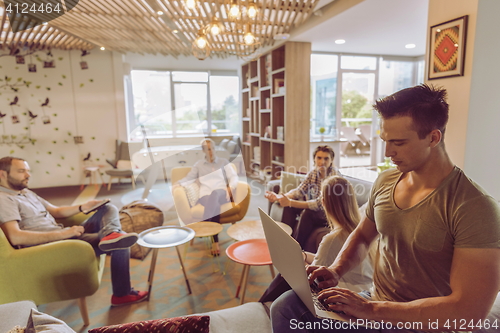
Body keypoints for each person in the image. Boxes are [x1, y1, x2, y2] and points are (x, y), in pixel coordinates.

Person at [270, 84, 500, 332]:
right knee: (286, 307)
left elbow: (467, 313)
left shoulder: (475, 208)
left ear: (433, 138)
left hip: (420, 322)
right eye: (385, 141)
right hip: (375, 301)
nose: (389, 152)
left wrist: (370, 310)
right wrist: (336, 270)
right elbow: (361, 236)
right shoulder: (386, 181)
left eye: (399, 143)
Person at [0, 156, 148, 307]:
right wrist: (64, 234)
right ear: (3, 174)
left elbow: (56, 211)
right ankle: (122, 294)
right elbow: (16, 237)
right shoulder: (4, 199)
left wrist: (83, 206)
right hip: (52, 245)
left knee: (108, 208)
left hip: (63, 235)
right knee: (121, 242)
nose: (28, 175)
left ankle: (110, 235)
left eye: (28, 171)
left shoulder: (25, 192)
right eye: (21, 171)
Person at [259, 175, 374, 303]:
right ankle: (262, 305)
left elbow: (312, 276)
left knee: (286, 274)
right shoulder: (361, 231)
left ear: (323, 202)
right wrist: (303, 255)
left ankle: (261, 304)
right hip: (366, 291)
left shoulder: (332, 239)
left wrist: (294, 262)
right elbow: (325, 260)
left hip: (347, 296)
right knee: (293, 263)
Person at [173, 138, 238, 256]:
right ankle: (215, 241)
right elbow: (189, 178)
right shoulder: (199, 165)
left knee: (216, 194)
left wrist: (231, 187)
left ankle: (205, 224)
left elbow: (233, 177)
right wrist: (178, 184)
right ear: (203, 151)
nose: (211, 151)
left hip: (222, 193)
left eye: (213, 148)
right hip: (205, 196)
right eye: (208, 149)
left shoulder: (224, 162)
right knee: (214, 203)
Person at [265, 145, 337, 247]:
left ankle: (297, 247)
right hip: (319, 210)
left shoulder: (333, 176)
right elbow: (299, 191)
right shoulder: (313, 173)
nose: (322, 162)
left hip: (330, 213)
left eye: (326, 158)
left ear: (331, 160)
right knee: (288, 207)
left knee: (308, 214)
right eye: (319, 158)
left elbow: (319, 204)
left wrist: (290, 202)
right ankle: (284, 241)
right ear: (314, 159)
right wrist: (280, 197)